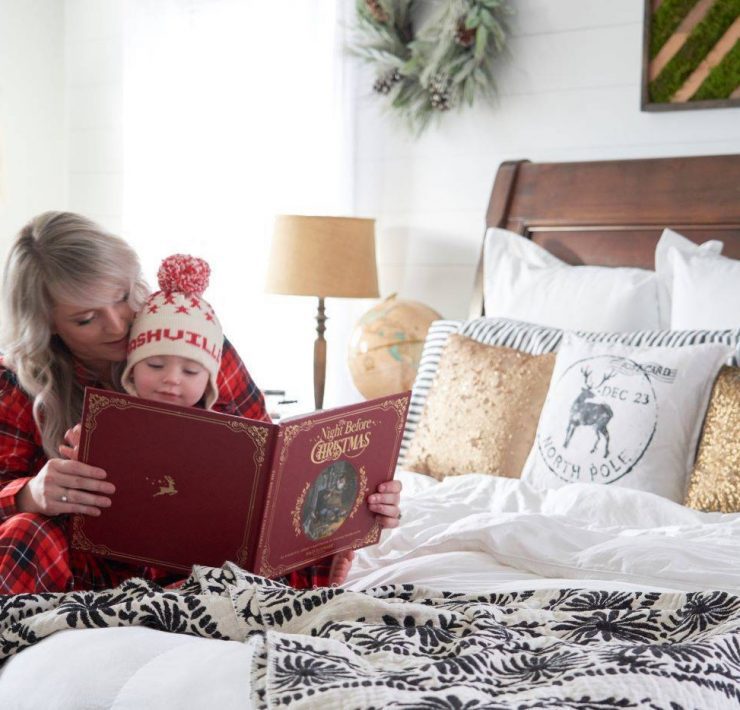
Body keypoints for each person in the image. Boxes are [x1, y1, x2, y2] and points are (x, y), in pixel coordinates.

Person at [0, 212, 400, 594]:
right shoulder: (15, 381)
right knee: (24, 533)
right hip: (85, 562)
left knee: (303, 531)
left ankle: (183, 602)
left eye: (123, 298)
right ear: (45, 324)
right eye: (86, 319)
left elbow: (269, 467)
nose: (118, 324)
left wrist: (359, 503)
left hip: (205, 551)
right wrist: (30, 493)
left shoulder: (192, 341)